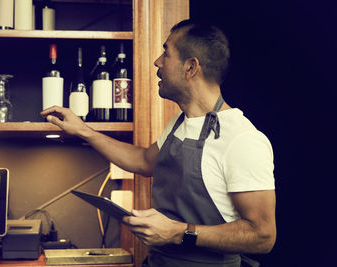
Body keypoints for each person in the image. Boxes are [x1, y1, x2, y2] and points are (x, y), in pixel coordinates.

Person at [41, 19, 276, 267]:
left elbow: (262, 236)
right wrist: (83, 130)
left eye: (166, 52)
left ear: (190, 67)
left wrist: (177, 232)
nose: (157, 62)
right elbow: (143, 160)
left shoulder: (241, 139)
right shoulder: (179, 122)